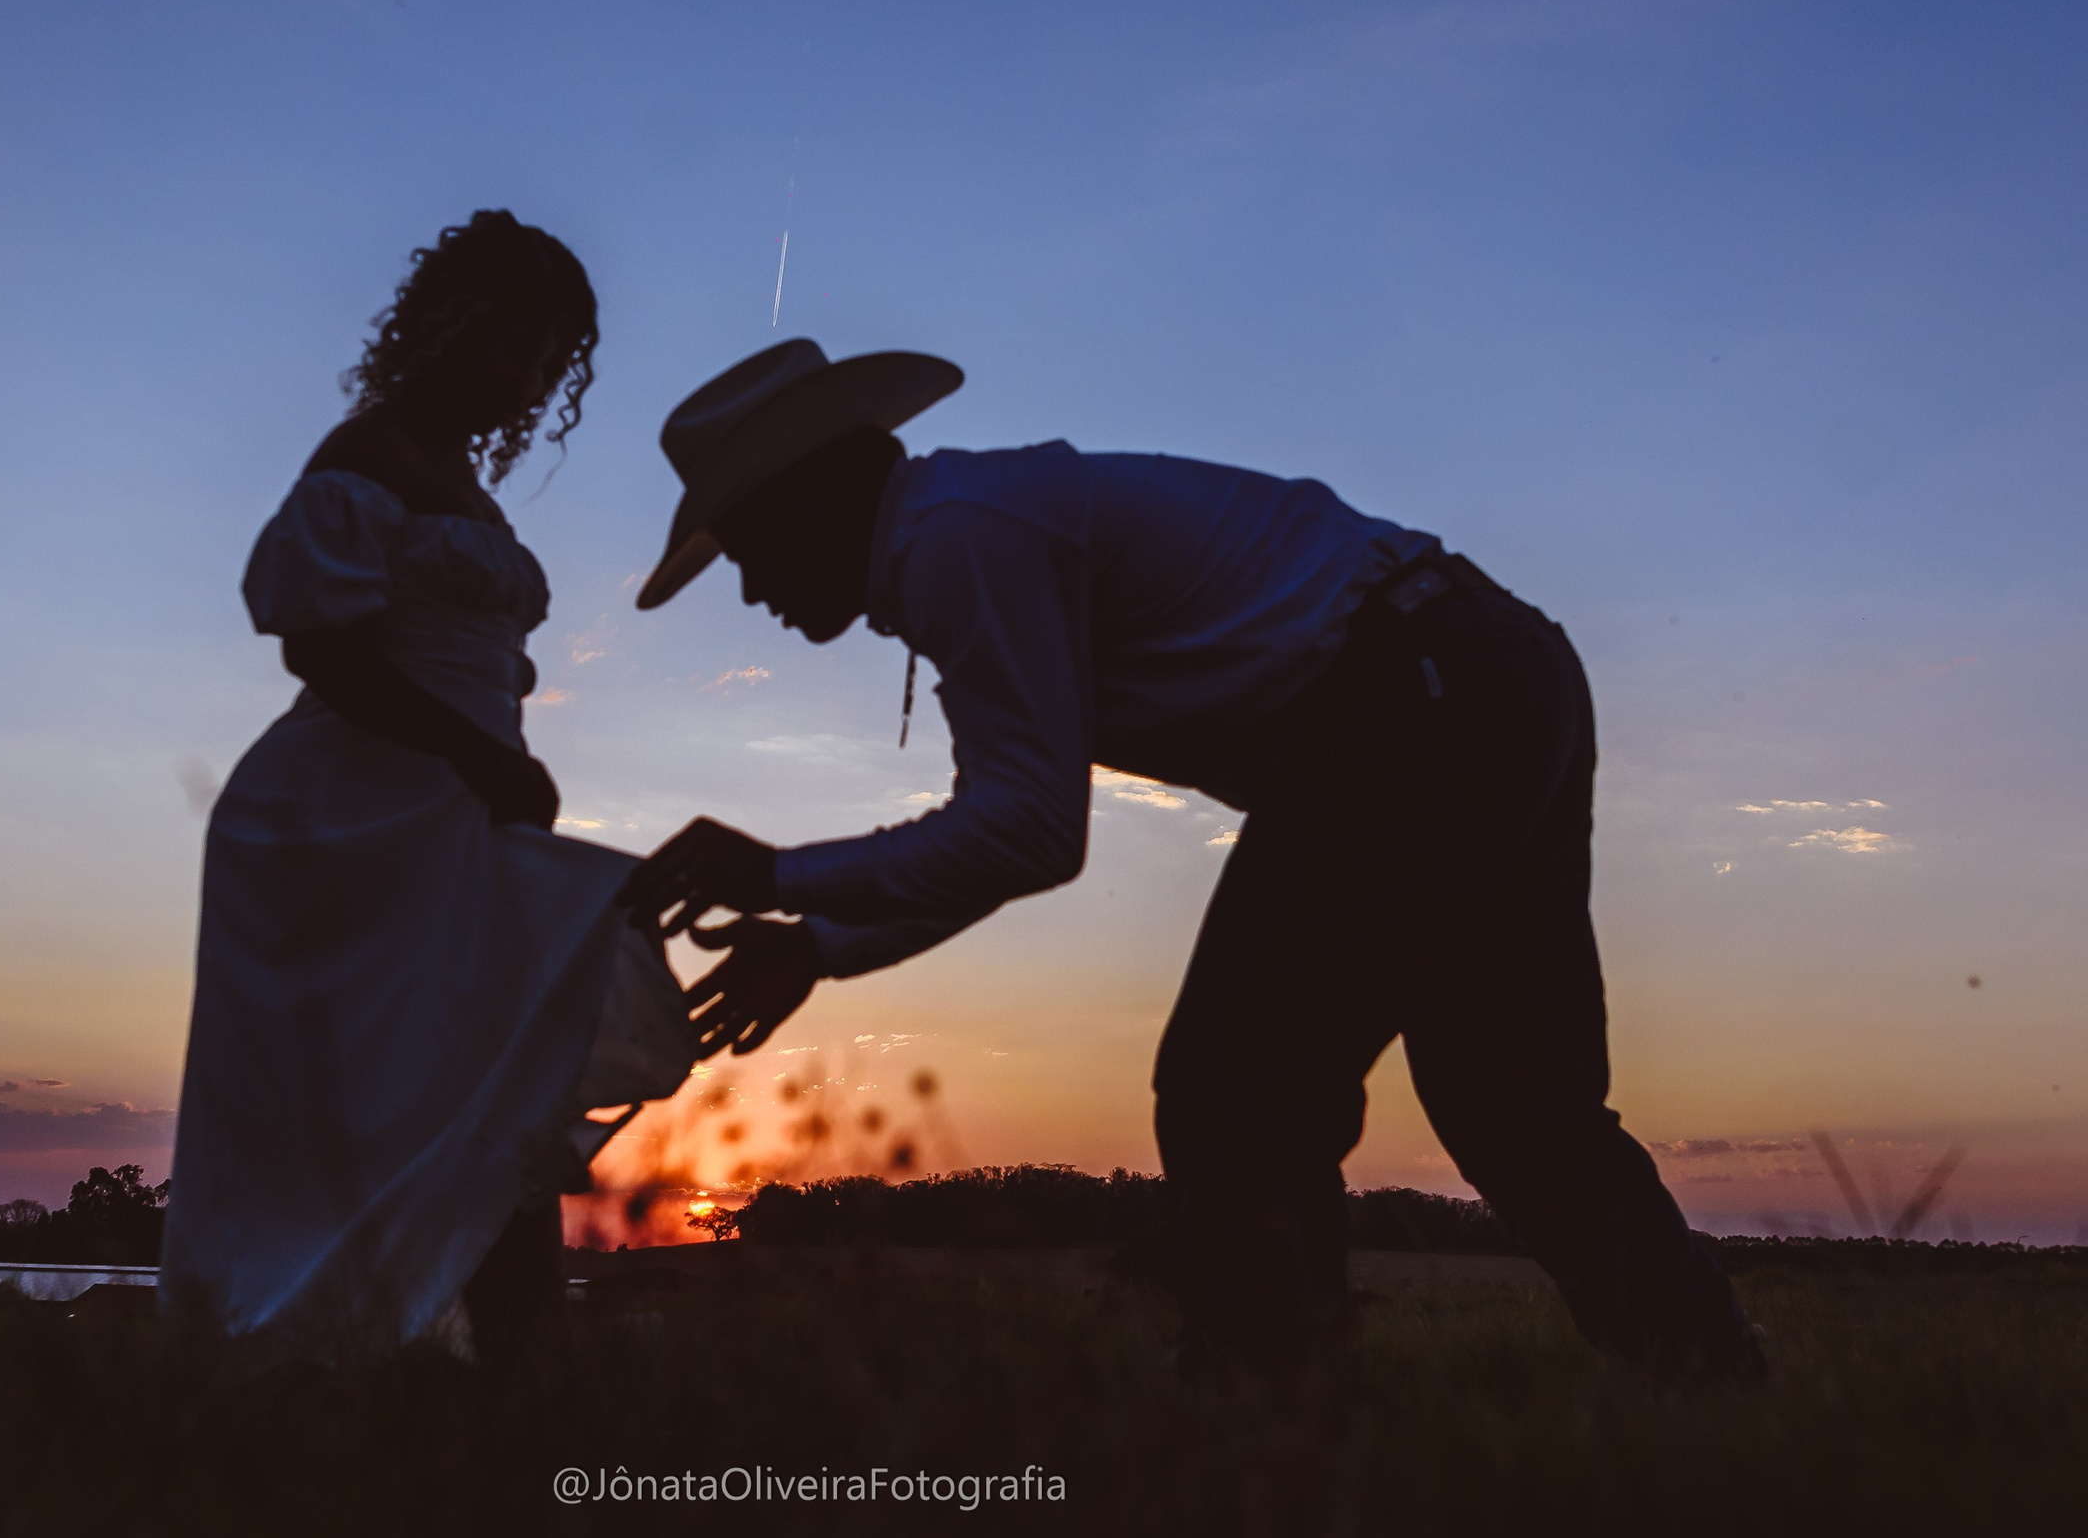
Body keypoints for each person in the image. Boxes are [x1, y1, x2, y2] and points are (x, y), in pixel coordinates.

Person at [619, 338, 1764, 1395]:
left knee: (1239, 1089)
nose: (751, 590)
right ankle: (1715, 1389)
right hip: (1488, 669)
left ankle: (1262, 1433)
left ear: (811, 495)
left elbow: (1027, 833)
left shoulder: (957, 537)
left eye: (748, 548)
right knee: (1513, 1100)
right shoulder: (970, 525)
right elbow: (1012, 832)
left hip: (1410, 692)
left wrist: (780, 879)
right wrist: (819, 944)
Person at [162, 211, 689, 1366]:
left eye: (549, 364)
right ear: (446, 325)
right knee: (363, 1100)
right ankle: (297, 1353)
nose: (527, 380)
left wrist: (489, 739)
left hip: (452, 819)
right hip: (344, 822)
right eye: (514, 346)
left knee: (495, 1078)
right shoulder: (364, 455)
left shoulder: (460, 485)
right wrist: (478, 752)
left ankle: (518, 1363)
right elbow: (321, 645)